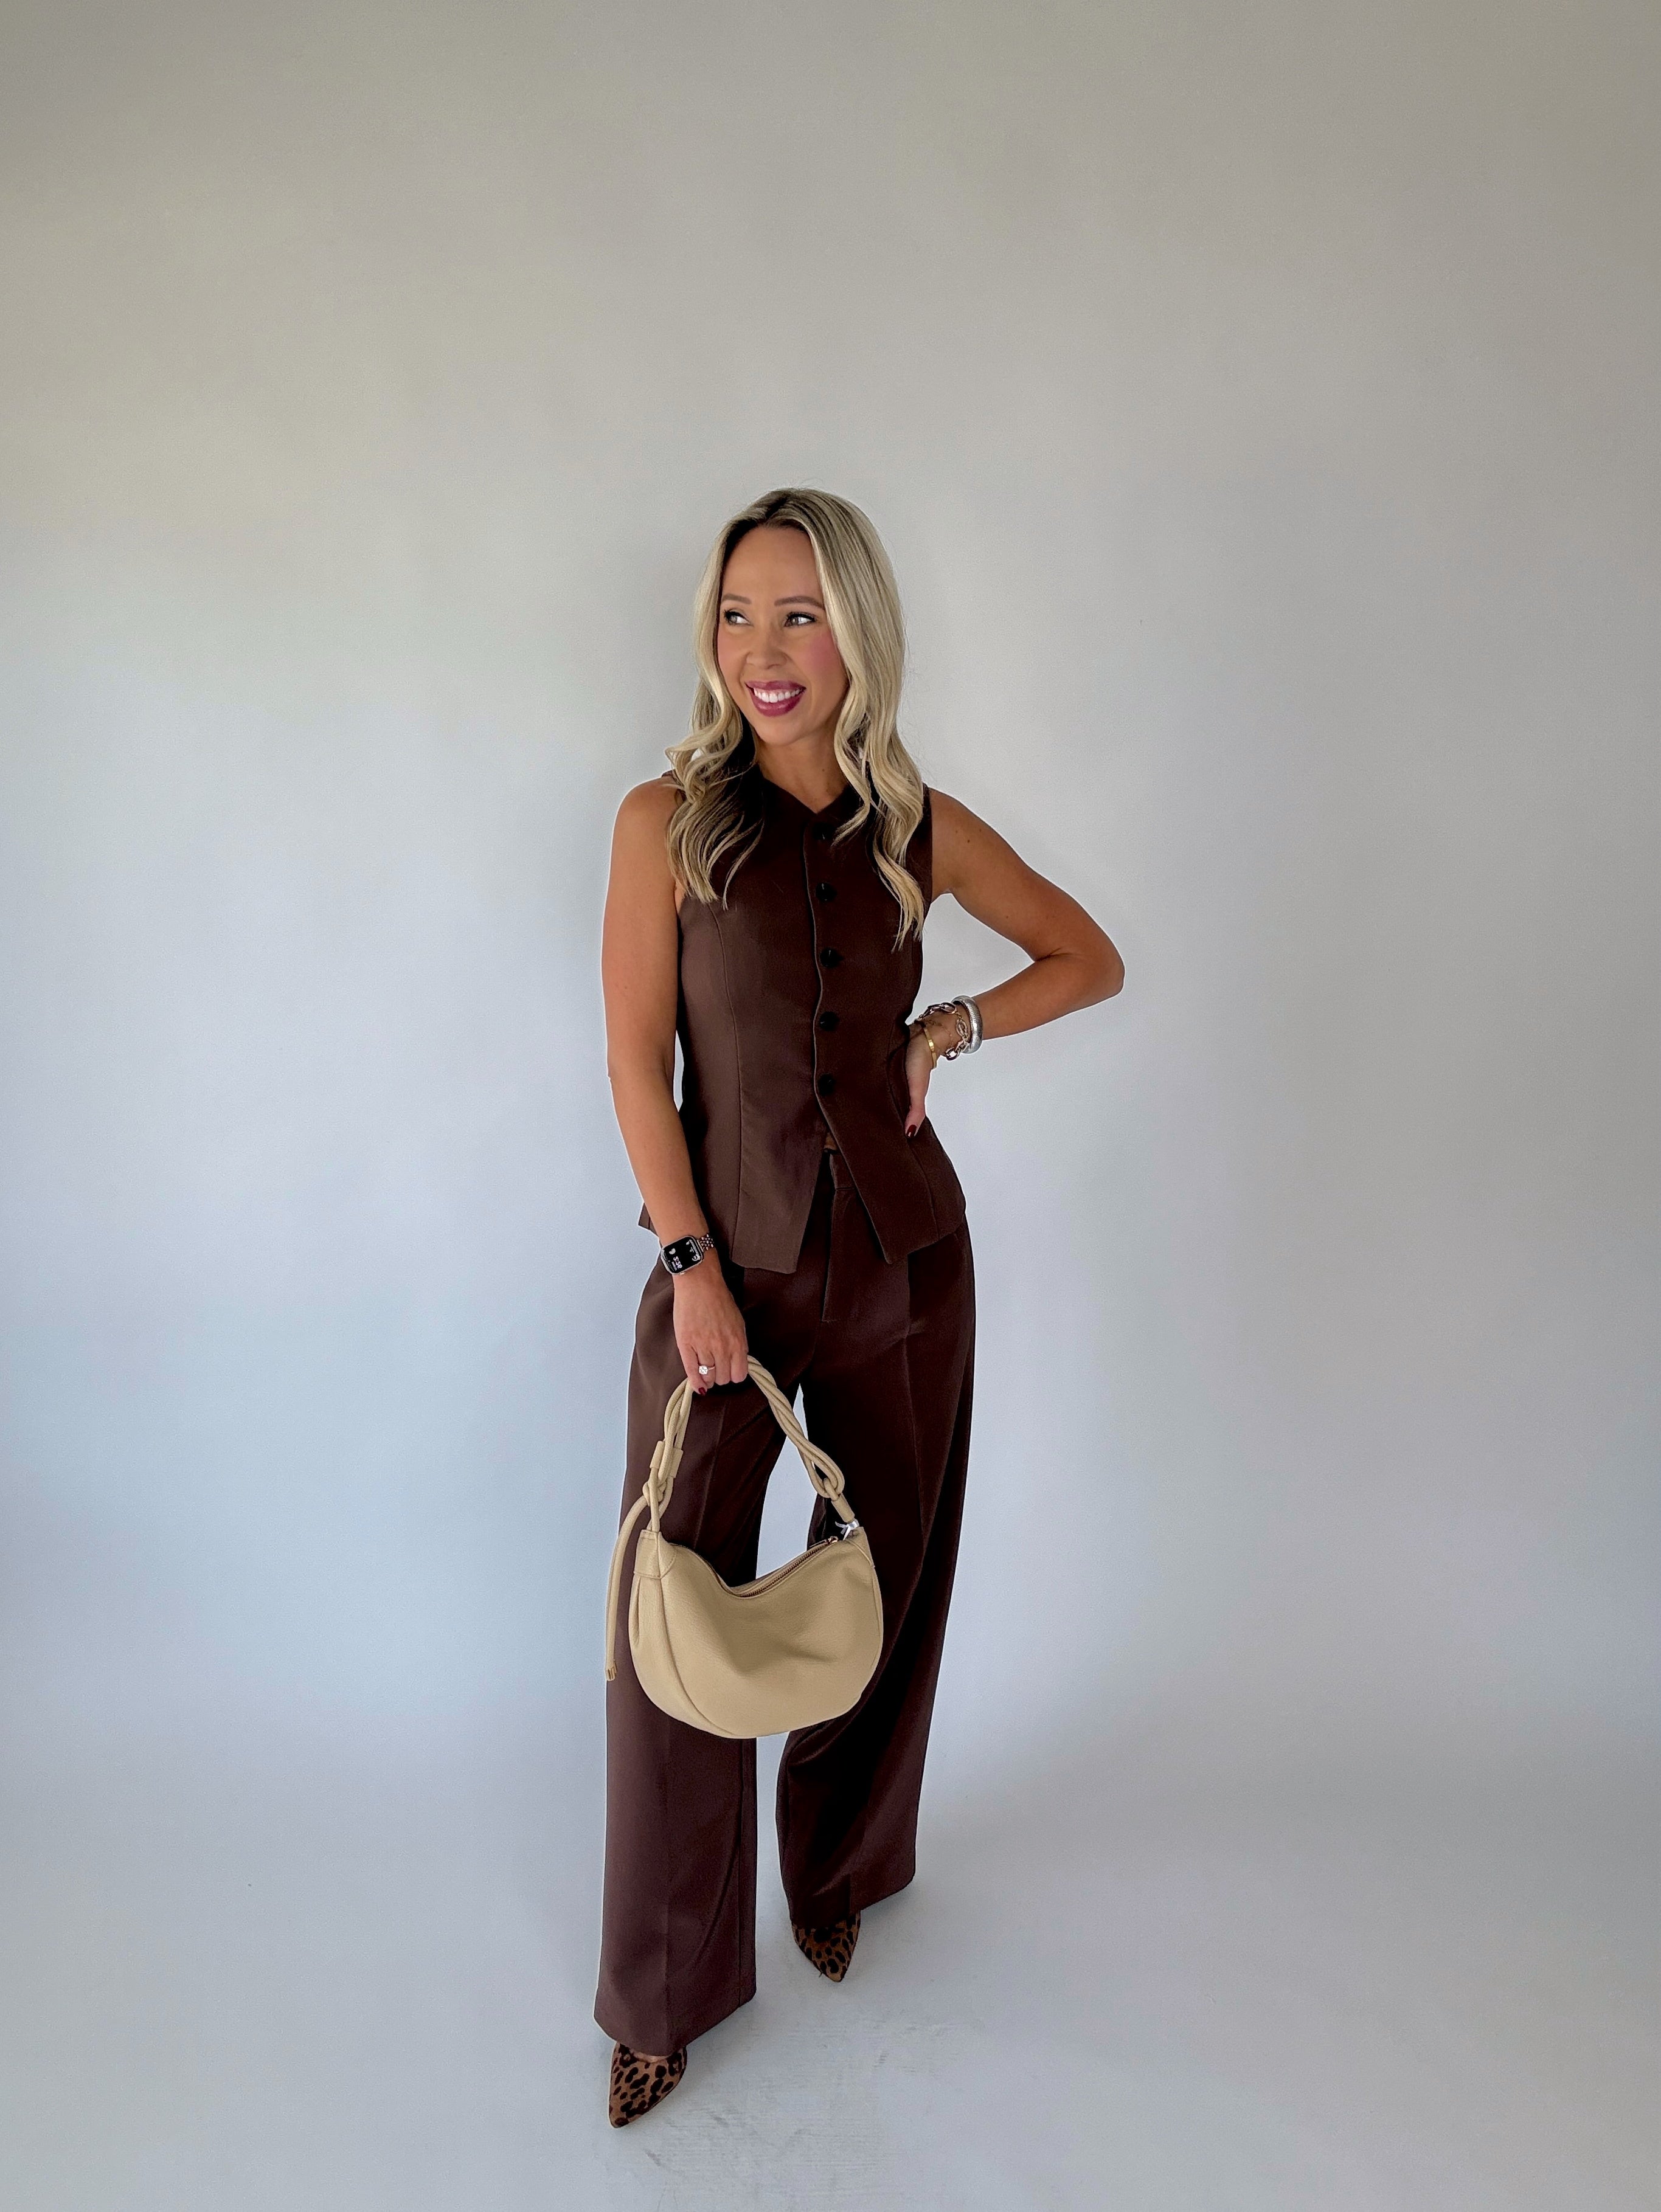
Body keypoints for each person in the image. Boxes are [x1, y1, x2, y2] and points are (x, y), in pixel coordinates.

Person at [596, 486, 1123, 2125]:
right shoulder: (664, 823)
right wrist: (691, 1271)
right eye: (739, 614)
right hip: (724, 1280)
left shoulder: (918, 826)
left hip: (903, 1265)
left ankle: (839, 1871)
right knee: (671, 1620)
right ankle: (666, 1990)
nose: (765, 649)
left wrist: (944, 1029)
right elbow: (635, 1068)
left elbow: (1087, 957)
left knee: (886, 1587)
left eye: (801, 614)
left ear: (857, 635)